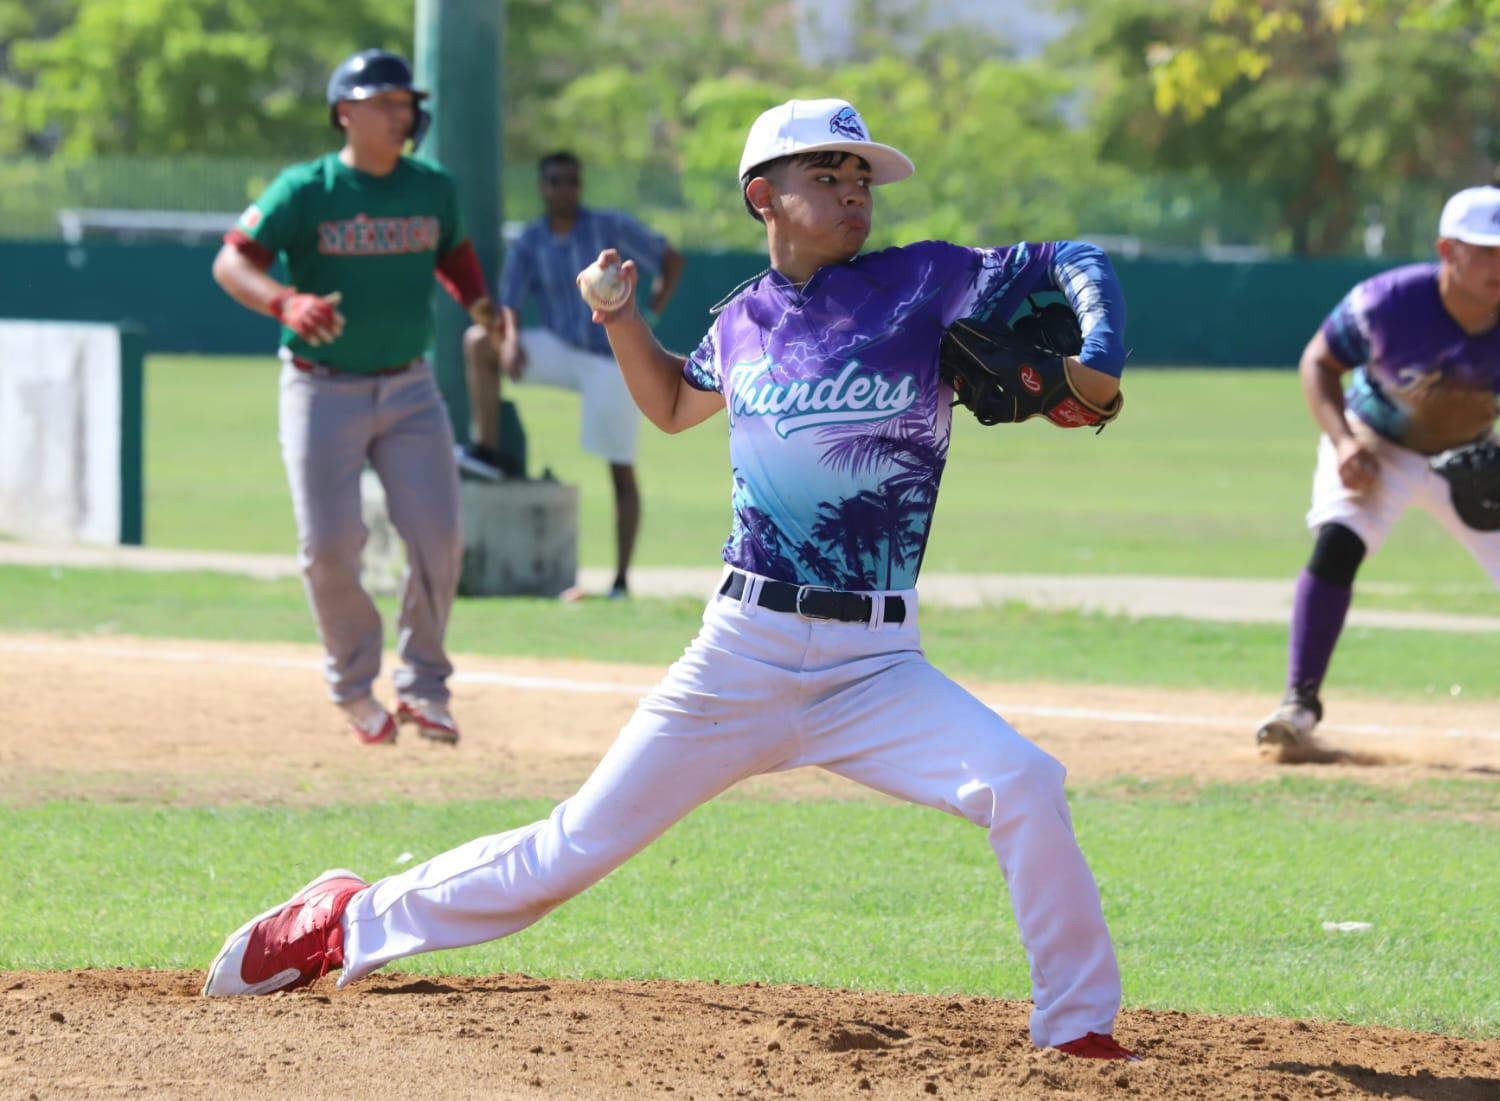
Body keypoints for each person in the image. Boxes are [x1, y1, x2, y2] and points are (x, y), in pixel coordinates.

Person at [202, 97, 1138, 1062]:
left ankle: (1076, 1027)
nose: (855, 189)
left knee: (1024, 780)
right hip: (743, 652)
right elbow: (669, 404)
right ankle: (344, 921)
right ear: (762, 195)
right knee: (565, 852)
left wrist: (1098, 356)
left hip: (877, 663)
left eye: (862, 175)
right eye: (828, 173)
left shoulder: (926, 280)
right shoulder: (744, 320)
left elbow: (1077, 259)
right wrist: (618, 316)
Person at [212, 48, 503, 746]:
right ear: (346, 111)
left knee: (439, 537)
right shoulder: (305, 188)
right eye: (387, 103)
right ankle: (352, 686)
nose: (404, 114)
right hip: (321, 387)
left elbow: (454, 255)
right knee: (330, 545)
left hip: (409, 387)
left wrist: (484, 307)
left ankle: (425, 689)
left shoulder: (430, 186)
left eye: (407, 104)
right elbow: (232, 260)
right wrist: (287, 301)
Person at [1256, 185, 1500, 773]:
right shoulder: (1386, 302)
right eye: (1484, 250)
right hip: (1374, 443)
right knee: (1339, 538)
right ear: (1447, 249)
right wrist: (1342, 441)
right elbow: (1319, 361)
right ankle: (1299, 706)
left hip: (1472, 458)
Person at [458, 150, 685, 600]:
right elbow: (511, 301)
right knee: (478, 342)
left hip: (611, 356)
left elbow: (670, 259)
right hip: (562, 348)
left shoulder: (609, 227)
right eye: (554, 181)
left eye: (570, 181)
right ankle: (489, 452)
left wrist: (653, 314)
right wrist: (509, 338)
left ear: (579, 186)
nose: (563, 188)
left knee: (620, 468)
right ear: (542, 187)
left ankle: (620, 580)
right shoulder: (530, 239)